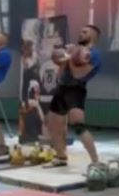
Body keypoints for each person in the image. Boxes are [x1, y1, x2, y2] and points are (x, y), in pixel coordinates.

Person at [43, 25, 102, 167]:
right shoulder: (75, 49)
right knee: (52, 124)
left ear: (93, 36)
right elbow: (61, 73)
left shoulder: (94, 54)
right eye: (81, 31)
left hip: (75, 89)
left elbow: (78, 74)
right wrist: (61, 60)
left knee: (78, 126)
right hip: (62, 88)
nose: (81, 34)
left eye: (85, 32)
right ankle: (61, 157)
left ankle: (96, 162)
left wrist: (70, 57)